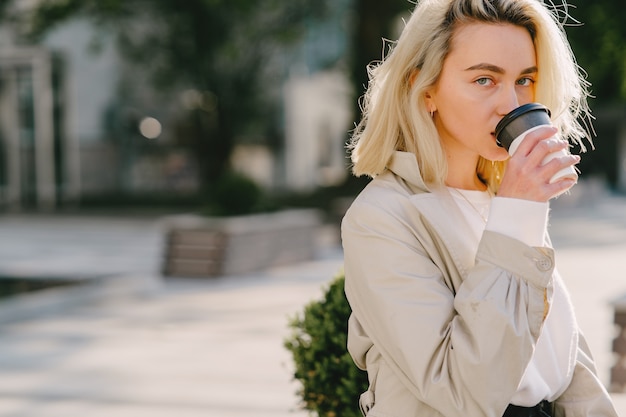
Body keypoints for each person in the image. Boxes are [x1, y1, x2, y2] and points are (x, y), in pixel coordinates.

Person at [341, 0, 619, 416]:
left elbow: (559, 360)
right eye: (485, 79)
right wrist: (516, 210)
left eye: (525, 80)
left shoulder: (501, 198)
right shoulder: (381, 219)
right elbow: (462, 392)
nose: (511, 102)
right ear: (426, 89)